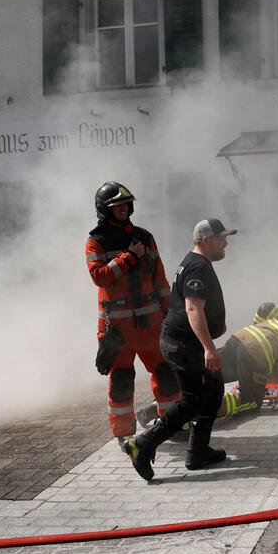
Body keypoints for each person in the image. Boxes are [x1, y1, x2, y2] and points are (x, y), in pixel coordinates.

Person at [122, 217, 235, 481]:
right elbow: (193, 309)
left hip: (183, 342)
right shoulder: (197, 266)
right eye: (222, 239)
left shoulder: (196, 262)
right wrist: (210, 348)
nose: (226, 243)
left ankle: (198, 450)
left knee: (214, 387)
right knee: (192, 399)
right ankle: (143, 444)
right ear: (206, 241)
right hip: (183, 344)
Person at [86, 182, 177, 443]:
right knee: (122, 380)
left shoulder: (145, 237)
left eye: (126, 205)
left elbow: (160, 279)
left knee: (166, 375)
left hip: (151, 324)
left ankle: (172, 425)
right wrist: (128, 257)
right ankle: (124, 435)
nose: (123, 209)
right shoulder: (95, 242)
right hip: (118, 330)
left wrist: (169, 315)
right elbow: (99, 277)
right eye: (117, 206)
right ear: (105, 210)